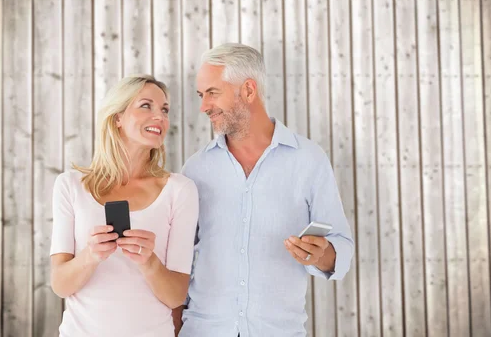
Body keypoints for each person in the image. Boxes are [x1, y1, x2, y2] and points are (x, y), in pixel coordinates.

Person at [175, 43, 354, 337]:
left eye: (212, 93)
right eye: (201, 95)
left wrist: (320, 255)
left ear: (248, 90)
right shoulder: (196, 169)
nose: (203, 106)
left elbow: (342, 246)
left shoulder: (308, 159)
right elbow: (177, 260)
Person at [50, 75, 199, 337]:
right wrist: (90, 256)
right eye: (146, 106)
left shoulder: (179, 190)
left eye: (164, 110)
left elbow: (176, 296)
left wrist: (149, 262)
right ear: (117, 117)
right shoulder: (70, 186)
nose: (160, 117)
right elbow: (60, 285)